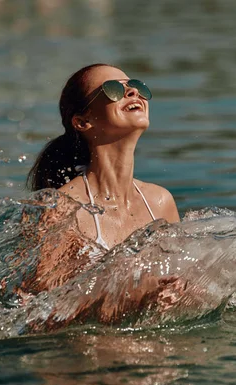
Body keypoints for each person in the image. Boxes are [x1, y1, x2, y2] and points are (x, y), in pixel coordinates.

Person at [16, 64, 184, 328]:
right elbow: (36, 311)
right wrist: (131, 295)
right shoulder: (60, 207)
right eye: (114, 89)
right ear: (83, 122)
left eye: (136, 86)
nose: (132, 92)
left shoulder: (160, 202)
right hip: (88, 356)